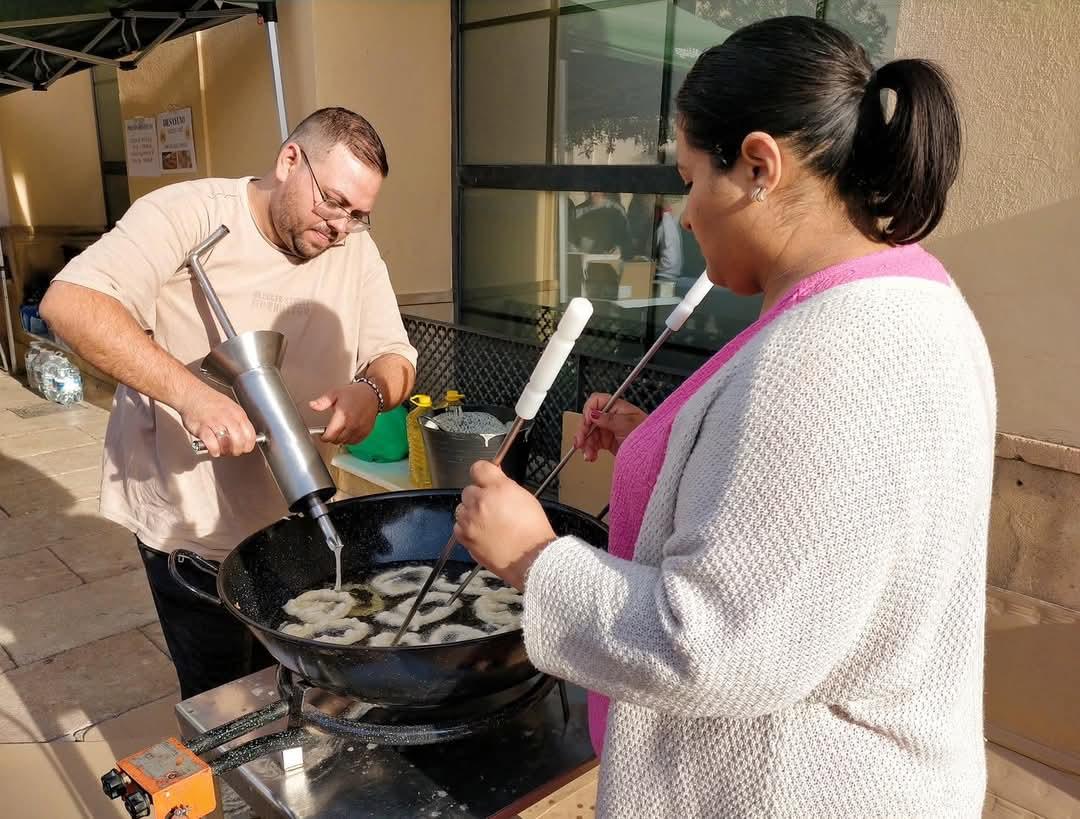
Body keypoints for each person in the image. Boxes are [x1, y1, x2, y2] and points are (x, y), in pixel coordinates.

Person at [452, 17, 993, 818]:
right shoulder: (914, 302)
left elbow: (716, 645)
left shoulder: (827, 353)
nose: (685, 212)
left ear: (759, 165)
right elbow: (815, 527)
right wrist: (671, 449)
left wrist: (535, 558)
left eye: (690, 177)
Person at [40, 107, 418, 699]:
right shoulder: (188, 214)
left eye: (359, 215)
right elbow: (72, 305)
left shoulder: (354, 251)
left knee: (302, 687)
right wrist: (194, 398)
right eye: (332, 202)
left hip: (297, 520)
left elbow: (396, 356)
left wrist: (371, 393)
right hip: (193, 533)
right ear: (289, 160)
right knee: (223, 699)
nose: (341, 227)